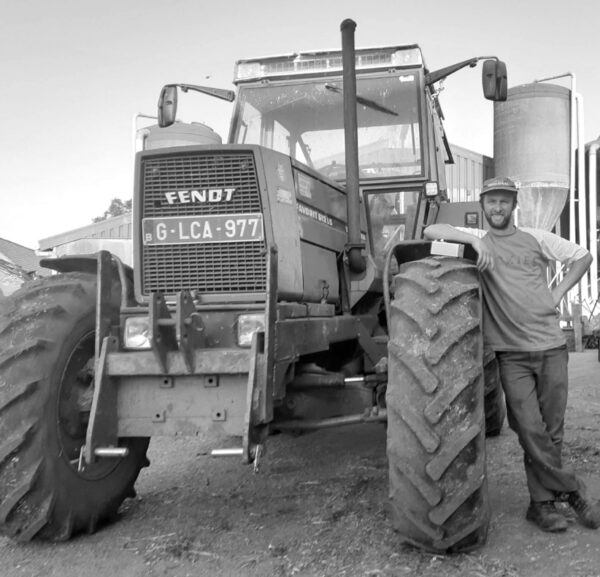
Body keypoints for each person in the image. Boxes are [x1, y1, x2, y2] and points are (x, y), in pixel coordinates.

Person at [424, 176, 598, 533]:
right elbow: (430, 229)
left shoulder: (535, 238)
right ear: (482, 205)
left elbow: (582, 256)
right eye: (492, 202)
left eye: (504, 201)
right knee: (530, 428)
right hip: (512, 354)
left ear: (514, 204)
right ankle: (574, 490)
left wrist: (558, 293)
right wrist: (471, 239)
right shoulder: (477, 243)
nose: (498, 207)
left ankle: (542, 504)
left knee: (552, 430)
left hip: (551, 346)